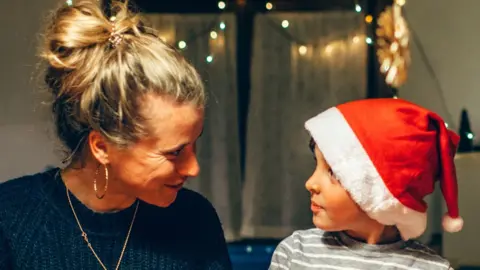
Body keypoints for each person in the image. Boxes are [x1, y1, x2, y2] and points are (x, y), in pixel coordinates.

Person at [0, 1, 232, 269]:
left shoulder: (195, 221)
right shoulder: (10, 220)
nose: (193, 168)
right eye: (175, 152)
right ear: (101, 147)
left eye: (195, 144)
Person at [270, 98, 462, 270]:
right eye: (316, 165)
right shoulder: (295, 252)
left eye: (333, 172)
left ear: (379, 194)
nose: (310, 183)